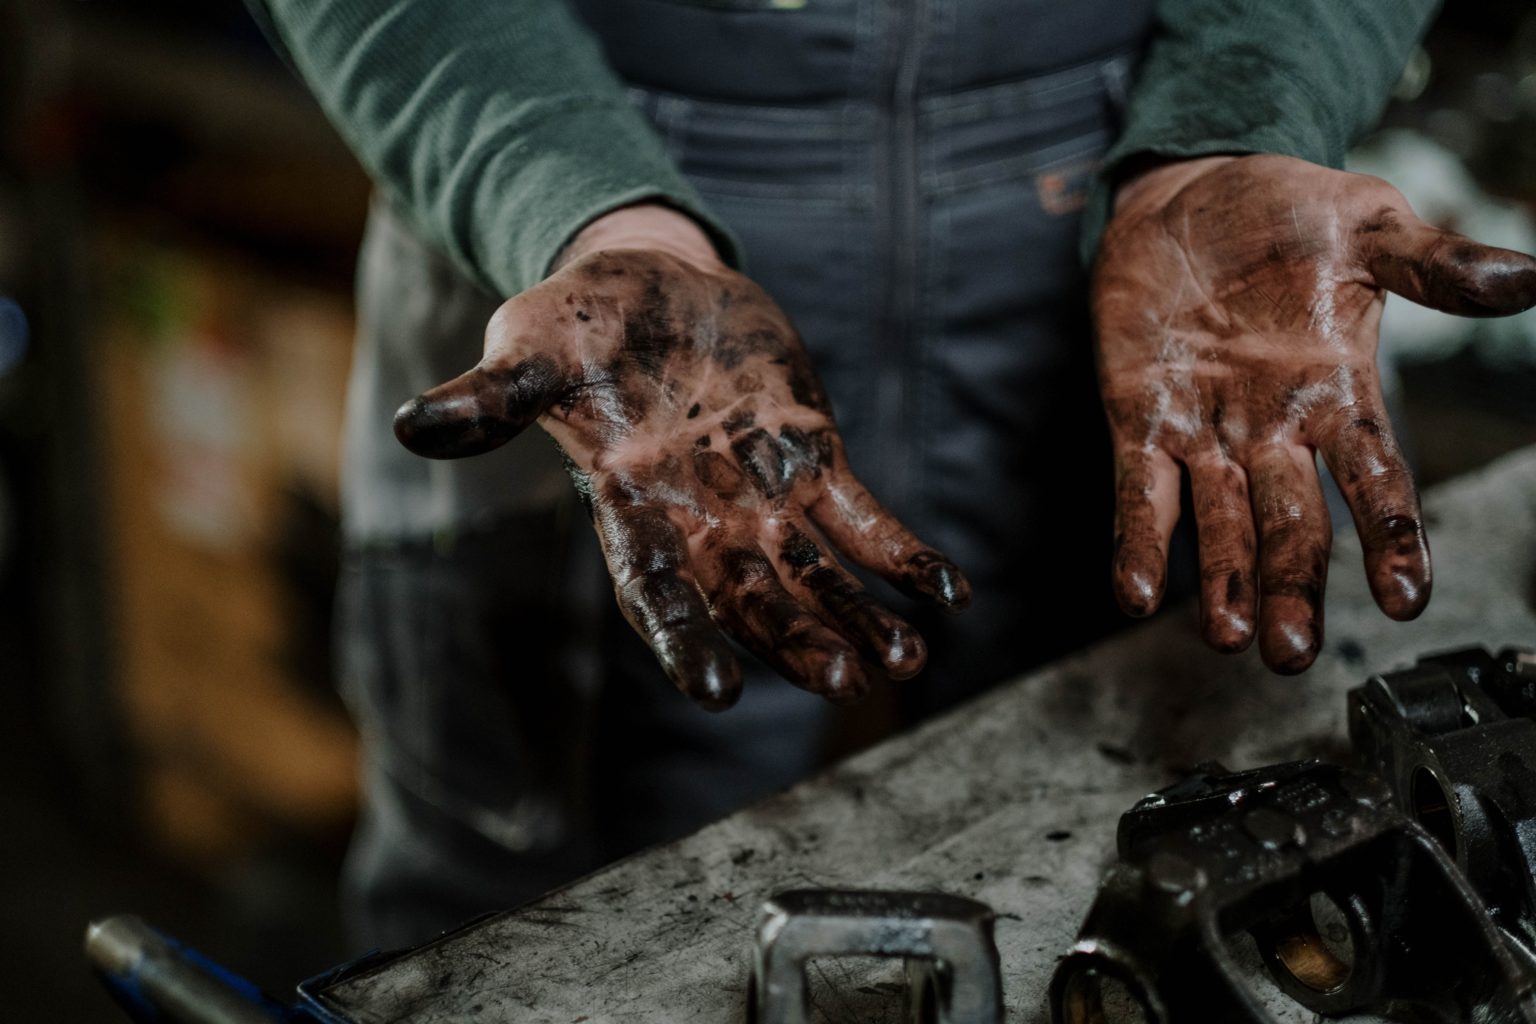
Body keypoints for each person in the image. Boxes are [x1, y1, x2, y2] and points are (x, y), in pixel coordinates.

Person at [245, 0, 1536, 948]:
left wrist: (1245, 116)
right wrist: (572, 200)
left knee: (1268, 890)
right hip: (582, 241)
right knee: (530, 927)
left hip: (1166, 229)